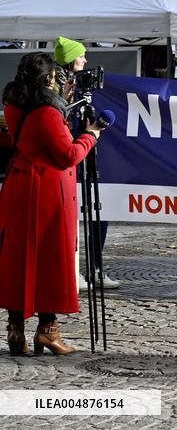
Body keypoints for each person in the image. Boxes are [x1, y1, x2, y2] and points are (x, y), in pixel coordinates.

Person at [0, 52, 105, 355]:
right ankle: (48, 329)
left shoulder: (14, 106)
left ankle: (15, 329)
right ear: (48, 79)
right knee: (51, 258)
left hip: (19, 188)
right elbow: (67, 155)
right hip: (47, 192)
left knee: (18, 258)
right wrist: (91, 135)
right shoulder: (46, 112)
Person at [53, 36, 119, 290]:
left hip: (85, 158)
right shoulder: (57, 89)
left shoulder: (79, 88)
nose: (85, 59)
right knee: (71, 219)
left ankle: (95, 268)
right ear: (71, 61)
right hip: (68, 163)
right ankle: (73, 269)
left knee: (99, 214)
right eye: (81, 55)